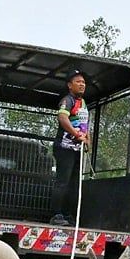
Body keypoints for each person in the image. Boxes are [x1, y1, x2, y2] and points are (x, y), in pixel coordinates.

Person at [50, 70, 90, 226]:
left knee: (74, 183)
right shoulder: (68, 100)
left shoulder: (83, 103)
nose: (82, 84)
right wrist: (75, 133)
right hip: (65, 147)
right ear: (69, 85)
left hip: (77, 150)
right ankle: (57, 214)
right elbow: (62, 117)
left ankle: (68, 215)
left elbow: (85, 125)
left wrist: (87, 141)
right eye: (78, 82)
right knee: (63, 181)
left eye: (83, 82)